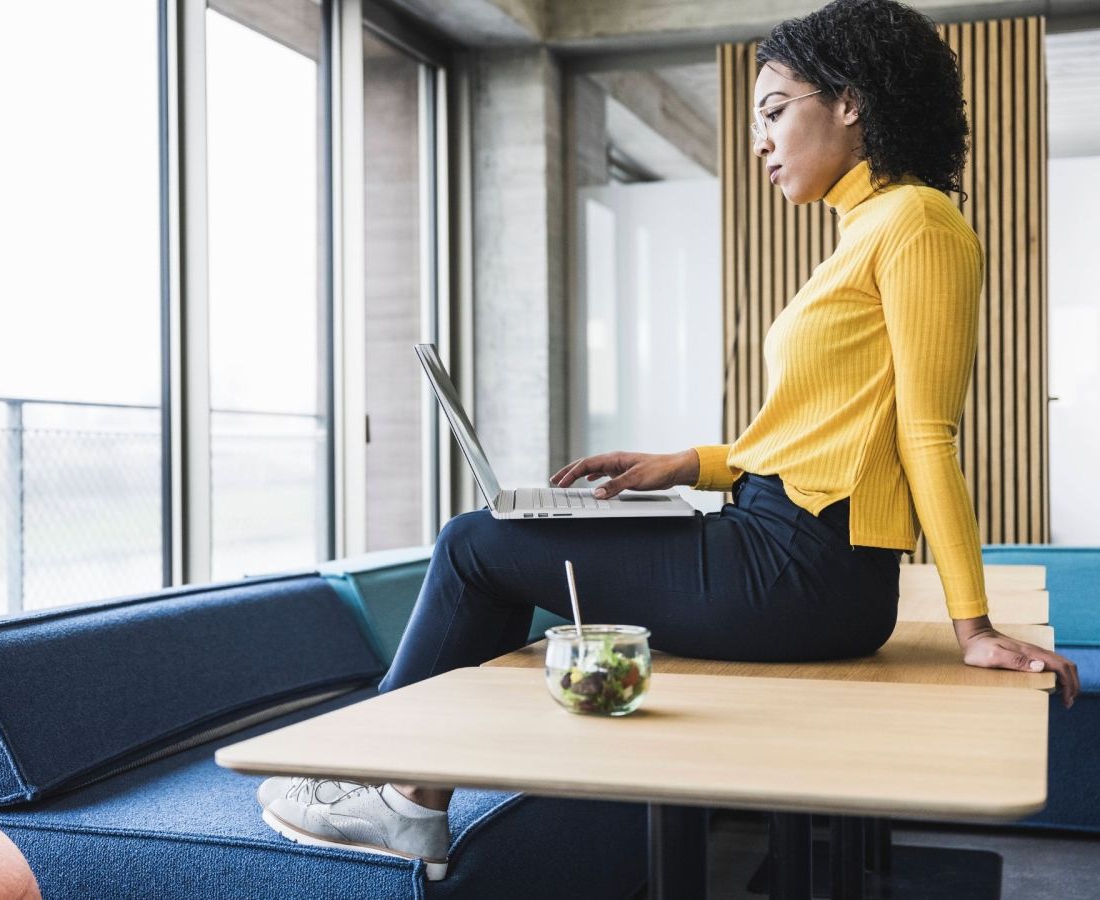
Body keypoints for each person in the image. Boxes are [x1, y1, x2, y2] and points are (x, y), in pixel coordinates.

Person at [255, 0, 1080, 872]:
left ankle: (386, 789)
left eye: (774, 111)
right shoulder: (868, 226)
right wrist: (690, 462)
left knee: (472, 545)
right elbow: (829, 432)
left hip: (802, 568)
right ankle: (406, 791)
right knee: (512, 538)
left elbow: (924, 432)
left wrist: (972, 623)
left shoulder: (914, 223)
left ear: (850, 100)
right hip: (791, 549)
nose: (761, 140)